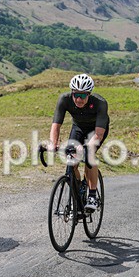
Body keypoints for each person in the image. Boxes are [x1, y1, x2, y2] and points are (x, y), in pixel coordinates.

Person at [50, 73, 109, 212]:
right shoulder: (64, 100)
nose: (78, 99)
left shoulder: (100, 103)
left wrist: (88, 147)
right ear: (72, 93)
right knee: (72, 160)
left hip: (96, 130)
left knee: (90, 155)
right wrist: (53, 143)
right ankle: (78, 188)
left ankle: (92, 195)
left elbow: (99, 134)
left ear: (89, 94)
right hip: (78, 128)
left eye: (83, 96)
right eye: (76, 94)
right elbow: (56, 126)